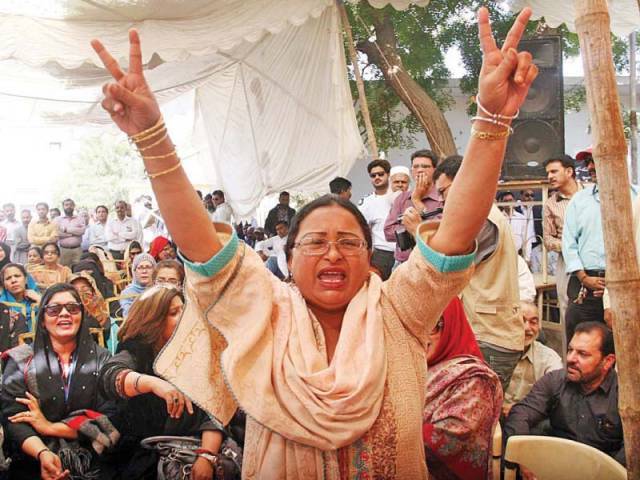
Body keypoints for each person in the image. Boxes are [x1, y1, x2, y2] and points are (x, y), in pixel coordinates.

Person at [92, 8, 537, 477]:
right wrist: (152, 137)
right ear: (288, 258)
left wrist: (492, 119)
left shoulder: (399, 311)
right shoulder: (265, 311)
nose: (332, 253)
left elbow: (454, 233)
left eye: (349, 242)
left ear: (370, 259)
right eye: (315, 242)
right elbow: (203, 246)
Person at [99, 285, 240, 479]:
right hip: (146, 454)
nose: (183, 317)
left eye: (184, 309)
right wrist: (154, 384)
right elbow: (110, 375)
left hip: (196, 449)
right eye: (174, 312)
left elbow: (214, 414)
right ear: (153, 322)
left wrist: (206, 457)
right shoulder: (136, 352)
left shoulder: (200, 353)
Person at [1, 284, 118, 479]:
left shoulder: (103, 359)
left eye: (72, 308)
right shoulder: (21, 360)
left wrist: (49, 427)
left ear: (81, 316)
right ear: (43, 321)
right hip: (35, 456)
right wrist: (43, 453)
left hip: (95, 458)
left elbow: (110, 418)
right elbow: (14, 417)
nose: (64, 314)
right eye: (54, 310)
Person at [433, 155, 523, 391]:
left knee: (481, 417)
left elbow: (447, 264)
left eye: (444, 192)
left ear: (463, 181)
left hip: (490, 334)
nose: (442, 202)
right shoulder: (482, 214)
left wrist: (415, 232)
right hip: (486, 330)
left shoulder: (481, 218)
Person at [504, 321, 625, 467]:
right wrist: (524, 458)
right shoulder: (555, 380)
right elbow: (522, 412)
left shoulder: (625, 398)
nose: (570, 359)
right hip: (554, 464)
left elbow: (631, 450)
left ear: (607, 361)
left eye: (582, 354)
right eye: (570, 350)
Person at [423, 298, 502, 480]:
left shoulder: (473, 379)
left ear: (452, 324)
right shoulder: (408, 366)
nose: (422, 334)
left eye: (434, 324)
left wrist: (384, 435)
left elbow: (449, 440)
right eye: (415, 324)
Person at [562, 153, 637, 339]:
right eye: (588, 163)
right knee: (581, 340)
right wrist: (584, 277)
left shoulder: (636, 198)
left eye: (595, 161)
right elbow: (568, 243)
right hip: (585, 284)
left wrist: (618, 285)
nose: (589, 167)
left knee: (623, 343)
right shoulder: (579, 200)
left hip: (627, 284)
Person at [503, 301, 563, 416]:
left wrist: (521, 409)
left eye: (533, 322)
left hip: (530, 415)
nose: (527, 328)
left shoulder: (549, 358)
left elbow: (556, 393)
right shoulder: (495, 353)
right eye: (522, 321)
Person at [384, 149, 443, 264]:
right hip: (403, 263)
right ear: (411, 171)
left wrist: (416, 200)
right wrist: (413, 229)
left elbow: (437, 233)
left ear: (435, 171)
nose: (420, 170)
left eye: (425, 166)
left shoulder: (442, 197)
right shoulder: (402, 198)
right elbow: (388, 232)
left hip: (430, 262)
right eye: (416, 167)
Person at [543, 155, 581, 326]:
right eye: (548, 173)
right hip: (566, 261)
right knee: (567, 307)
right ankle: (569, 352)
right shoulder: (550, 204)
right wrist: (569, 247)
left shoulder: (591, 193)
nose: (550, 176)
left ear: (569, 171)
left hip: (595, 258)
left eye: (554, 171)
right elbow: (548, 239)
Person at [358, 159, 396, 280]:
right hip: (381, 254)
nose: (377, 177)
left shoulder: (401, 196)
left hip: (405, 253)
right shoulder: (366, 202)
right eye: (373, 175)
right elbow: (362, 230)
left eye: (381, 174)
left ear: (388, 174)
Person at [0, 263, 41, 330]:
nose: (13, 280)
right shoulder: (2, 306)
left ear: (26, 280)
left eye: (17, 276)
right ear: (4, 285)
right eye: (8, 278)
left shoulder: (39, 299)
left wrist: (40, 301)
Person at [69, 273, 110, 339]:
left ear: (93, 292)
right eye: (75, 290)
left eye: (85, 289)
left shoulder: (106, 319)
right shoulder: (66, 319)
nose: (81, 294)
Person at [497, 190, 534, 262]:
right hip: (501, 257)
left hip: (518, 256)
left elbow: (526, 239)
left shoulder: (521, 218)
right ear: (501, 203)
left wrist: (527, 258)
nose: (508, 203)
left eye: (510, 200)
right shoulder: (499, 218)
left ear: (514, 201)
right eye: (505, 201)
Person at [119, 254, 156, 318]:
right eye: (140, 268)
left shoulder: (159, 290)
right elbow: (128, 316)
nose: (144, 271)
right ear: (134, 271)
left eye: (148, 267)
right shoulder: (127, 293)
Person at [55, 199, 86, 268]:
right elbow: (57, 233)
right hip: (63, 250)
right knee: (63, 271)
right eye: (66, 205)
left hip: (77, 250)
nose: (69, 206)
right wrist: (73, 233)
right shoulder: (57, 219)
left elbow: (82, 231)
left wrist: (65, 229)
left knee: (79, 270)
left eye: (71, 205)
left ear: (74, 206)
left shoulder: (80, 218)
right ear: (63, 207)